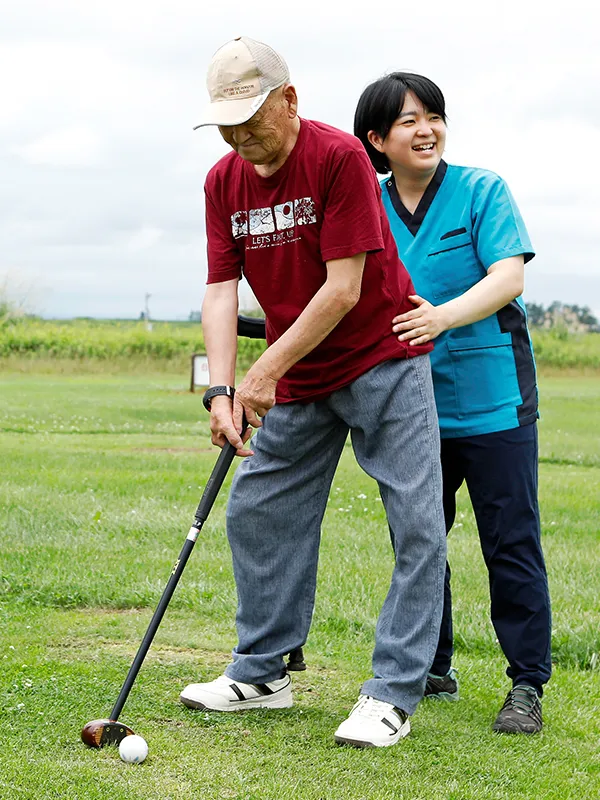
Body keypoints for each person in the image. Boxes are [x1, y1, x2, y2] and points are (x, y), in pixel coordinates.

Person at [179, 37, 447, 748]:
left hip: (381, 361)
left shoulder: (338, 158)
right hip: (300, 375)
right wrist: (222, 389)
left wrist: (264, 373)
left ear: (289, 100)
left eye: (252, 118)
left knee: (417, 526)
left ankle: (392, 692)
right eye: (226, 124)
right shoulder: (222, 181)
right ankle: (264, 673)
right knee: (258, 511)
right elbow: (217, 292)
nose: (240, 137)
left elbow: (342, 289)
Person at [354, 73, 552, 734]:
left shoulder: (481, 191)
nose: (426, 129)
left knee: (511, 544)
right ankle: (429, 665)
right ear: (376, 140)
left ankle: (526, 684)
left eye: (432, 115)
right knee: (419, 542)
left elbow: (509, 277)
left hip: (494, 403)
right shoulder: (366, 205)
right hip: (410, 410)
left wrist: (440, 319)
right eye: (407, 121)